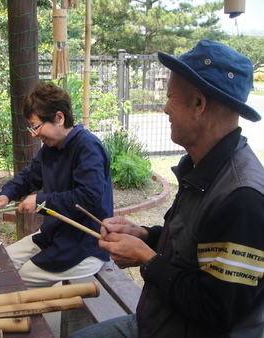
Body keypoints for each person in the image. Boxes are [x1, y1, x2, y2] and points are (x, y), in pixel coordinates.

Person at [70, 40, 264, 337]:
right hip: (159, 323)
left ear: (199, 104)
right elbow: (194, 250)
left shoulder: (241, 198)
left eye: (171, 97)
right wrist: (144, 235)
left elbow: (218, 311)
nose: (164, 108)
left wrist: (146, 258)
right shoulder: (205, 168)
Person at [0, 82, 113, 289]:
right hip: (54, 236)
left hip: (83, 244)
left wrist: (41, 201)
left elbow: (89, 197)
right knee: (0, 263)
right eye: (31, 127)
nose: (33, 134)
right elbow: (30, 176)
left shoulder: (87, 146)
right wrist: (7, 194)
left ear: (59, 118)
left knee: (14, 279)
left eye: (36, 126)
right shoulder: (51, 147)